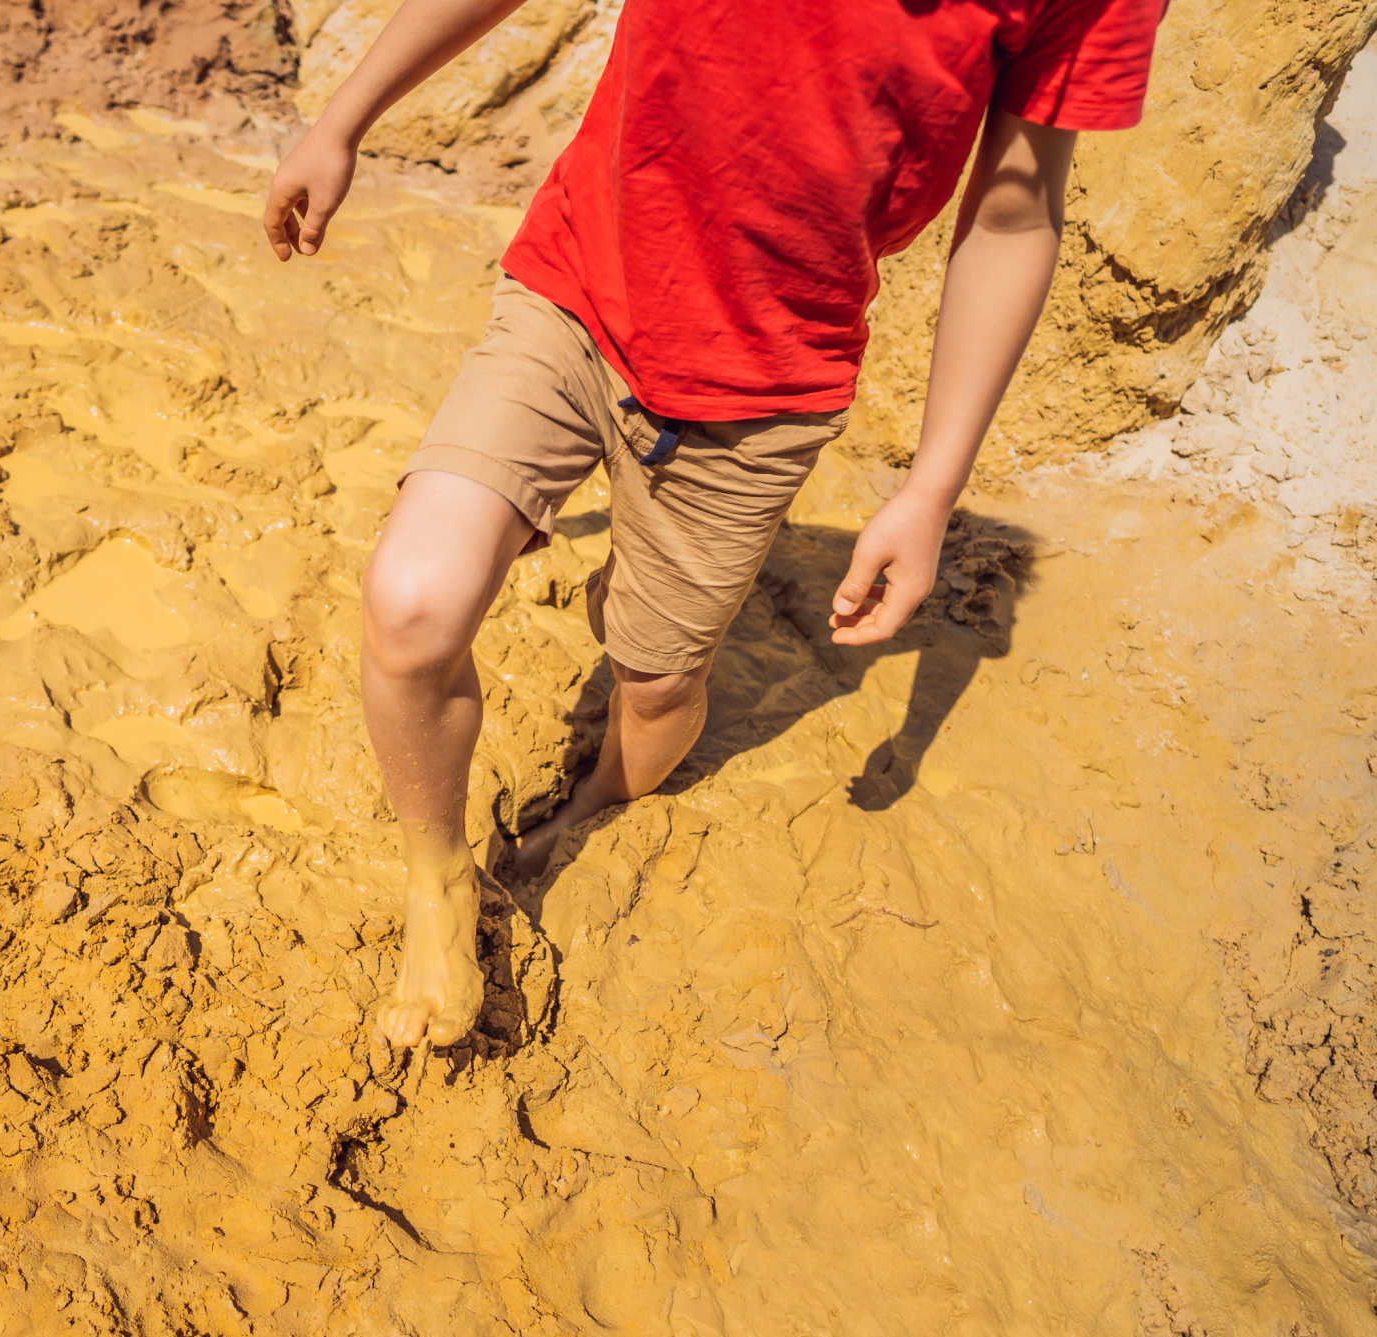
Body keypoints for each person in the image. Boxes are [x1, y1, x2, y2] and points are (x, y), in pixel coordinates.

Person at [262, 0, 1165, 1050]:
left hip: (763, 387)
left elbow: (1012, 215)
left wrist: (931, 490)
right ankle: (440, 882)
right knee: (411, 605)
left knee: (654, 689)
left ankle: (595, 802)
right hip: (574, 290)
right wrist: (345, 119)